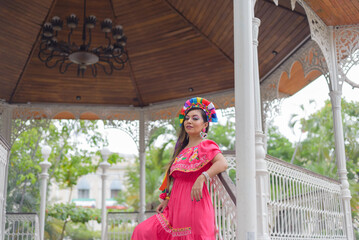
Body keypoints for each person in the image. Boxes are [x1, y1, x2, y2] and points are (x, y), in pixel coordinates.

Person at [132, 97, 228, 240]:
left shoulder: (205, 145)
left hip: (195, 206)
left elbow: (222, 163)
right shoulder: (181, 151)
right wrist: (167, 199)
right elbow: (176, 180)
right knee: (142, 230)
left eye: (195, 118)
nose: (189, 121)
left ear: (205, 125)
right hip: (175, 208)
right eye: (187, 118)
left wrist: (203, 177)